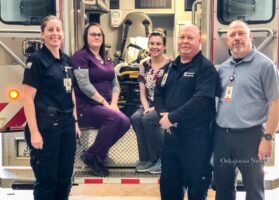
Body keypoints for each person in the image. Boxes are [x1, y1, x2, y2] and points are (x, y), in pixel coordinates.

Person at [214, 20, 279, 200]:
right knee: (223, 187)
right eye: (232, 35)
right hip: (222, 137)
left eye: (241, 33)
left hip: (250, 138)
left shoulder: (265, 66)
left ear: (250, 37)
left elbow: (276, 103)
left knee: (254, 189)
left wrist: (268, 137)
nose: (236, 38)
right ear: (227, 41)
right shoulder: (223, 68)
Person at [154, 24, 220, 200]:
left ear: (199, 41)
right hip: (172, 139)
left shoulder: (206, 68)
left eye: (190, 38)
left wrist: (173, 117)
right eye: (182, 37)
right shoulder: (170, 67)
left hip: (197, 141)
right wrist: (163, 115)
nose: (185, 41)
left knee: (196, 191)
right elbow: (158, 92)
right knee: (169, 189)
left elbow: (201, 100)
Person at [23, 15, 80, 200]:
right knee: (47, 179)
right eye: (50, 30)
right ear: (42, 34)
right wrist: (34, 132)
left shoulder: (66, 61)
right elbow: (28, 98)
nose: (55, 33)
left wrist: (75, 122)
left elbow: (71, 93)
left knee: (64, 178)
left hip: (67, 125)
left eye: (58, 29)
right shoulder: (36, 60)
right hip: (46, 127)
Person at [71, 23, 130, 177]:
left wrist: (114, 104)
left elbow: (115, 83)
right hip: (86, 106)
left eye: (99, 34)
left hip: (106, 106)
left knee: (125, 122)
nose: (96, 37)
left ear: (103, 38)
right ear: (86, 37)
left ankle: (94, 156)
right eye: (93, 34)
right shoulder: (81, 56)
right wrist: (105, 103)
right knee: (113, 117)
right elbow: (84, 85)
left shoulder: (107, 58)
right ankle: (94, 157)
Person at [130, 29, 171, 174]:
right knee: (135, 117)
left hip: (165, 105)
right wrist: (147, 107)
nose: (155, 46)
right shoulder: (144, 65)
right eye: (152, 43)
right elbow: (142, 93)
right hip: (148, 104)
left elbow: (171, 93)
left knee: (148, 119)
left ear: (164, 46)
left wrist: (155, 109)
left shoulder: (171, 65)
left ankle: (161, 159)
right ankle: (146, 158)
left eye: (158, 44)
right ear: (148, 45)